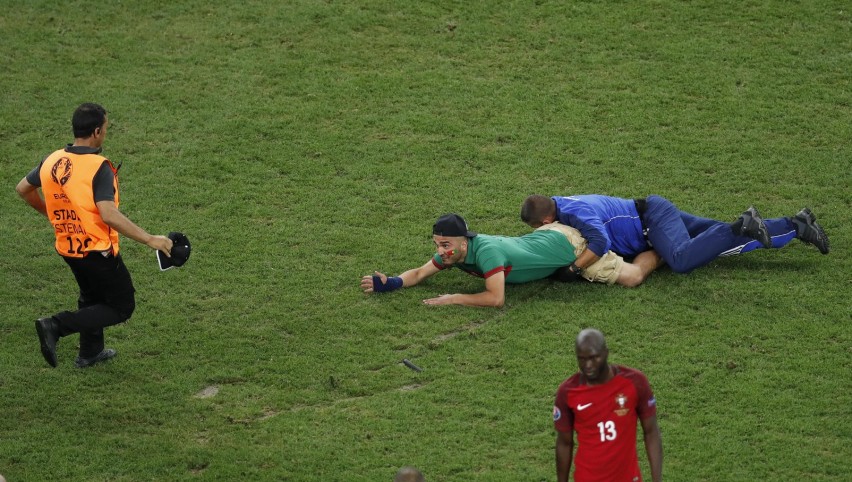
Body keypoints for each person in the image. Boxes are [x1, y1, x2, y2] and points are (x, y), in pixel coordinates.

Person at [15, 103, 173, 368]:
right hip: (96, 249)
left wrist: (52, 215)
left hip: (67, 245)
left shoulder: (52, 160)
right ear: (97, 131)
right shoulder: (99, 167)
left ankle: (89, 352)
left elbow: (23, 189)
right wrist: (150, 239)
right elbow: (108, 214)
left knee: (91, 296)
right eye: (106, 128)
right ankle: (56, 325)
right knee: (122, 306)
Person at [360, 213, 661, 308]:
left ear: (463, 241)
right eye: (437, 244)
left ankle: (661, 249)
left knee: (632, 276)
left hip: (572, 246)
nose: (441, 251)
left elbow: (496, 298)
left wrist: (454, 299)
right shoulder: (454, 253)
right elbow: (419, 274)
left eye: (446, 244)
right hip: (549, 234)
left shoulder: (487, 252)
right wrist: (393, 283)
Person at [521, 194, 830, 281]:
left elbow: (600, 243)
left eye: (538, 227)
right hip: (652, 214)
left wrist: (574, 269)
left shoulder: (576, 213)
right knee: (716, 241)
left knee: (683, 259)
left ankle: (740, 226)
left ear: (546, 220)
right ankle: (797, 224)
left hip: (652, 222)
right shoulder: (563, 204)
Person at [554, 328, 663, 482]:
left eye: (594, 357)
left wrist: (657, 479)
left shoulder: (635, 383)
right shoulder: (568, 392)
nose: (588, 365)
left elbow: (651, 432)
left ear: (606, 353)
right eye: (582, 359)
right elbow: (564, 443)